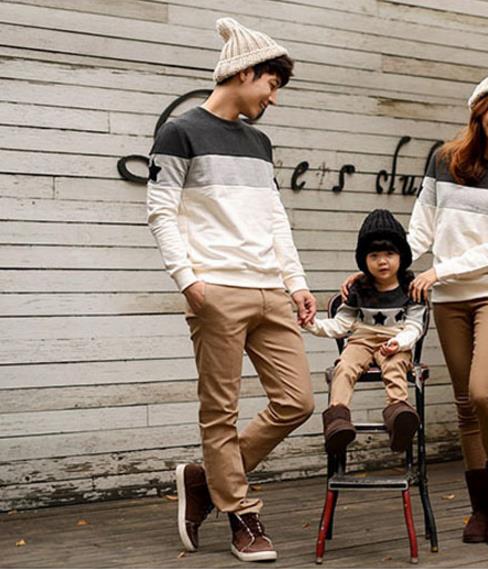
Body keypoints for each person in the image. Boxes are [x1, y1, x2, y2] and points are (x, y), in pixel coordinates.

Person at [343, 67, 488, 546]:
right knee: (463, 405)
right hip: (449, 298)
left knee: (483, 392)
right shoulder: (443, 161)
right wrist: (380, 271)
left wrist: (441, 271)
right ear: (478, 109)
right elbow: (419, 232)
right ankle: (481, 508)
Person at [146, 17, 316, 563]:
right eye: (271, 84)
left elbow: (275, 218)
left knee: (297, 401)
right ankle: (242, 514)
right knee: (219, 411)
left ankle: (205, 479)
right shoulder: (180, 132)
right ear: (244, 73)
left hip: (270, 288)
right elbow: (161, 211)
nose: (273, 97)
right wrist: (189, 281)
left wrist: (296, 282)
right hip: (216, 288)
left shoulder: (259, 143)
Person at [305, 209, 426, 454]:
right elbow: (342, 323)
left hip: (394, 342)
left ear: (401, 256)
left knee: (394, 366)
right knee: (344, 367)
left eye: (389, 254)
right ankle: (338, 419)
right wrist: (313, 325)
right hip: (360, 341)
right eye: (374, 255)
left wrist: (400, 342)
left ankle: (398, 414)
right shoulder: (359, 288)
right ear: (364, 260)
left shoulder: (410, 288)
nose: (382, 261)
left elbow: (415, 325)